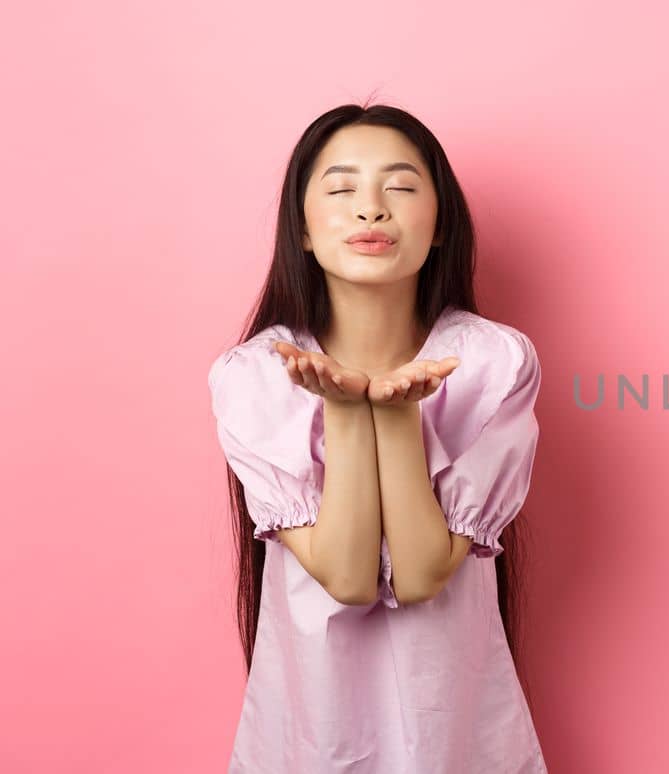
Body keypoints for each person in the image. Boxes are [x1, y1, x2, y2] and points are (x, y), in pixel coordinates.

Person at [206, 103, 548, 773]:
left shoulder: (493, 363)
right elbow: (349, 577)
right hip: (312, 736)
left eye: (399, 186)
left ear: (441, 223)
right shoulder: (256, 376)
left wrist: (395, 415)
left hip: (454, 733)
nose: (370, 210)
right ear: (301, 231)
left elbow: (421, 574)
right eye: (340, 189)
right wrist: (345, 409)